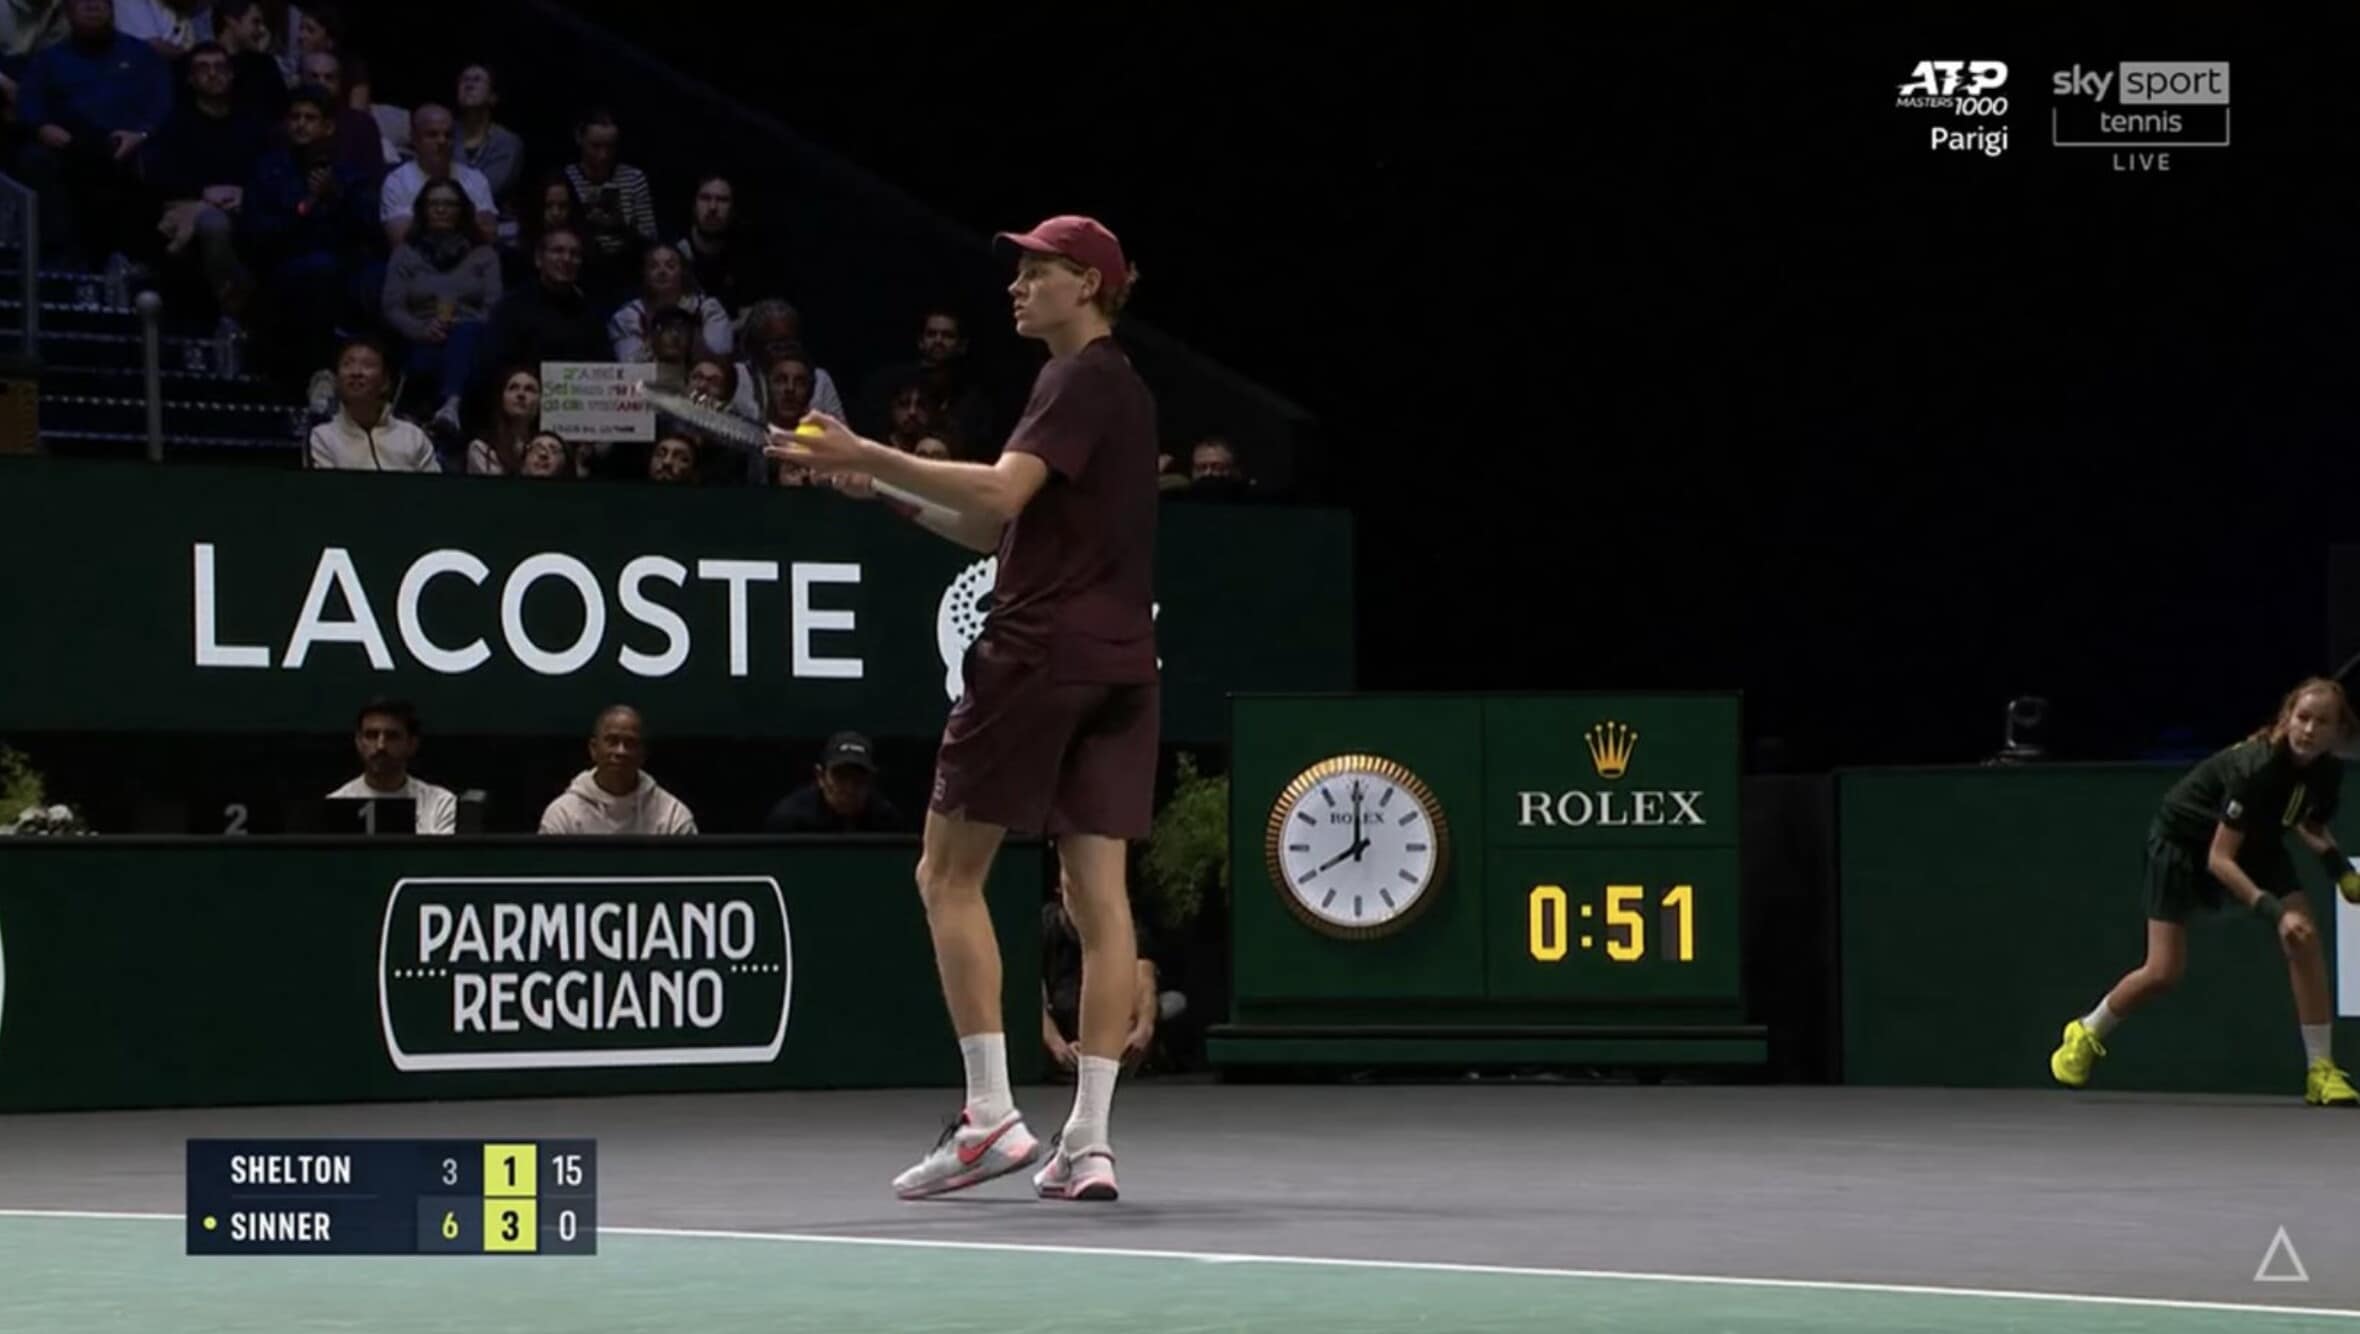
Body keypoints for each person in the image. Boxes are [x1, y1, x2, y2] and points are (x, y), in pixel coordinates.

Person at [768, 215, 1154, 1202]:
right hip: (1121, 666)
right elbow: (993, 527)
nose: (1015, 287)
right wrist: (881, 488)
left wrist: (868, 448)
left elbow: (997, 488)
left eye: (1036, 272)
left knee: (946, 873)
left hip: (1035, 655)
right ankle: (1088, 1141)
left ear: (1087, 283)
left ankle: (989, 1116)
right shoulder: (1122, 389)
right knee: (1099, 902)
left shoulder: (1073, 377)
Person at [2050, 677, 2360, 1106]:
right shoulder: (2254, 769)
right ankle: (2086, 1030)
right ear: (2286, 718)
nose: (2309, 729)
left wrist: (2341, 872)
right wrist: (2276, 913)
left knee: (2304, 940)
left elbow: (2308, 822)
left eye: (2321, 722)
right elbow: (2220, 858)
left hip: (2257, 841)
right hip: (2184, 843)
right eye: (2302, 717)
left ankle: (2320, 1070)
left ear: (2338, 730)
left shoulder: (2327, 771)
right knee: (2163, 970)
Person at [538, 705, 698, 835]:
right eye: (612, 741)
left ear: (643, 754)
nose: (621, 751)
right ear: (593, 749)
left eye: (630, 743)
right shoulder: (562, 814)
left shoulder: (672, 815)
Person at [325, 697, 456, 835]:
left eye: (392, 736)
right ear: (358, 742)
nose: (380, 746)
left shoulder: (440, 804)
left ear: (412, 744)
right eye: (371, 735)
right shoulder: (335, 805)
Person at [764, 731, 907, 834]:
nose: (850, 788)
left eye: (858, 778)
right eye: (841, 776)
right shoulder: (789, 821)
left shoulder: (887, 821)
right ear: (820, 776)